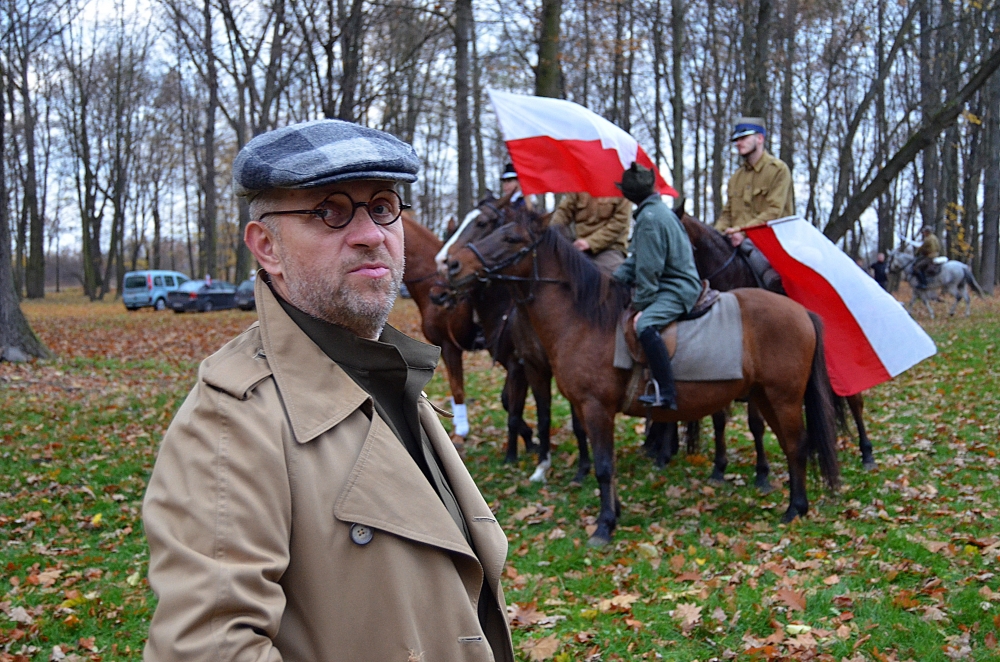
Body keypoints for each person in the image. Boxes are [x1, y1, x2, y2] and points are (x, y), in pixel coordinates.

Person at [142, 119, 515, 662]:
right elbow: (208, 648)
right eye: (330, 212)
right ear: (266, 246)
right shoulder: (231, 425)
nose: (371, 234)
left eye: (383, 207)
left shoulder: (390, 371)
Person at [612, 163, 701, 410]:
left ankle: (667, 392)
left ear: (630, 196)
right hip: (668, 283)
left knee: (644, 324)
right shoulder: (655, 212)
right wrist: (613, 279)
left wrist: (641, 304)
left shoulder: (649, 219)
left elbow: (649, 270)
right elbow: (638, 259)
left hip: (677, 288)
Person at [714, 117, 794, 248]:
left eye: (744, 138)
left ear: (760, 138)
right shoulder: (736, 177)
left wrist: (743, 232)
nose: (738, 143)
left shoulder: (778, 170)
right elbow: (727, 215)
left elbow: (774, 211)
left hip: (772, 243)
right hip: (737, 243)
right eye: (737, 140)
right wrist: (714, 235)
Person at [550, 192, 632, 273]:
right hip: (578, 248)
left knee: (613, 276)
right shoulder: (578, 187)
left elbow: (619, 223)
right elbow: (563, 213)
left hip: (610, 248)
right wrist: (550, 232)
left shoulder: (621, 189)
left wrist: (589, 242)